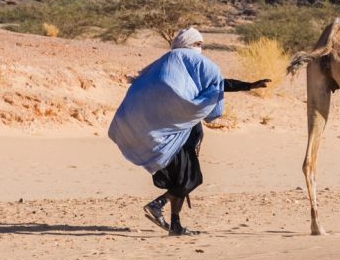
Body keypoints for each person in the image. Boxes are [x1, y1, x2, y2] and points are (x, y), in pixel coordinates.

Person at [108, 27, 269, 235]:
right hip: (178, 139)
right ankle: (158, 204)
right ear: (189, 44)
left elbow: (213, 85)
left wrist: (247, 86)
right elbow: (217, 83)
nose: (200, 48)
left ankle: (175, 226)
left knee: (181, 181)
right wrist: (249, 86)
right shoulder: (191, 63)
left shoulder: (163, 65)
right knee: (192, 180)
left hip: (169, 137)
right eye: (198, 44)